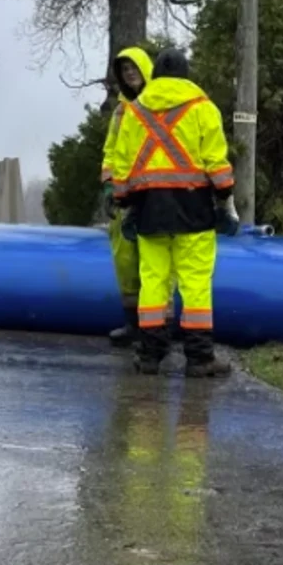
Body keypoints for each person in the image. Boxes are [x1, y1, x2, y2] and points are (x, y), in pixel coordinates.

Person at [108, 48, 239, 377]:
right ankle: (199, 359)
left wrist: (124, 203)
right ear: (186, 75)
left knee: (153, 283)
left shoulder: (134, 112)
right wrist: (225, 199)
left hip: (149, 210)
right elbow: (216, 161)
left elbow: (122, 164)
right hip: (194, 209)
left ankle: (150, 355)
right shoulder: (202, 108)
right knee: (194, 284)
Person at [99, 47, 153, 347]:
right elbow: (111, 149)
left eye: (134, 67)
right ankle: (133, 324)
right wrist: (109, 184)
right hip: (124, 195)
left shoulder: (157, 104)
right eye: (125, 69)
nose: (130, 73)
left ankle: (154, 330)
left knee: (154, 263)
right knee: (125, 261)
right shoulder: (121, 111)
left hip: (152, 195)